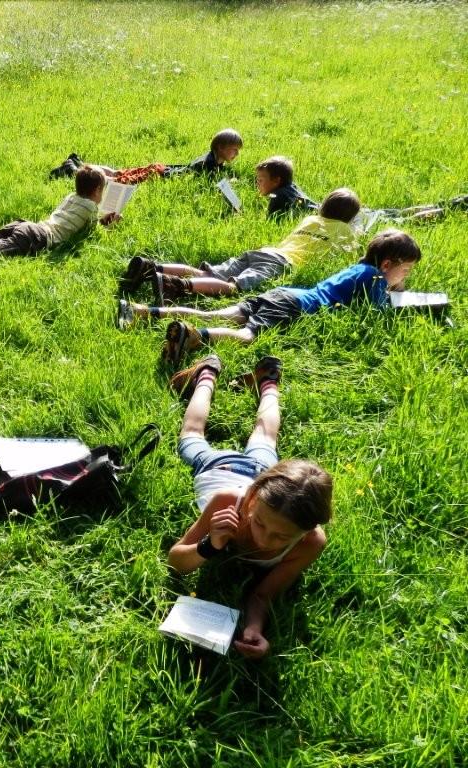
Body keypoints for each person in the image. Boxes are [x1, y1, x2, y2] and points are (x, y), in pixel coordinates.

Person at [166, 353, 332, 659]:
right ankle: (207, 372)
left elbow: (263, 594)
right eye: (259, 523)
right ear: (253, 499)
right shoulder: (228, 501)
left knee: (265, 436)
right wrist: (210, 545)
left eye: (282, 537)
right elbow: (176, 561)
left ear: (307, 531)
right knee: (191, 434)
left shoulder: (311, 542)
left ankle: (269, 380)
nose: (265, 539)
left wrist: (254, 628)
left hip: (263, 472)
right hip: (218, 467)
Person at [124, 229, 422, 369]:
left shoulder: (359, 268)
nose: (405, 277)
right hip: (295, 306)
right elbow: (376, 314)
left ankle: (142, 311)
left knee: (221, 314)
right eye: (405, 270)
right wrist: (395, 293)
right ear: (387, 265)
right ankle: (193, 337)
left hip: (284, 293)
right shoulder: (374, 279)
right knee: (247, 335)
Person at [117, 187, 362, 310]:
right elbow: (351, 256)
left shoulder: (310, 219)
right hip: (282, 263)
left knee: (211, 273)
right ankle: (177, 286)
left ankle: (152, 267)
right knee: (235, 286)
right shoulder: (345, 231)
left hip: (266, 251)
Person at [0, 166, 119, 257]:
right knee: (0, 250)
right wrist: (109, 224)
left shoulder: (71, 196)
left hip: (31, 226)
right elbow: (91, 232)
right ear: (97, 191)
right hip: (41, 237)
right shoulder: (91, 207)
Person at [49, 128, 243, 183]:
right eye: (233, 149)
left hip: (159, 169)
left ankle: (79, 163)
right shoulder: (209, 164)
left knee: (117, 173)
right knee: (116, 181)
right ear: (220, 147)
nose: (236, 153)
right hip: (156, 176)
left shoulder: (214, 159)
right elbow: (212, 185)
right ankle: (73, 170)